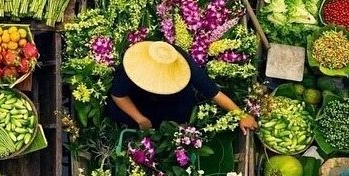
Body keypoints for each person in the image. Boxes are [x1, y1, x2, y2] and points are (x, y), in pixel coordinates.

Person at [107, 40, 258, 134]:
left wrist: (241, 115)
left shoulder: (183, 64)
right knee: (118, 111)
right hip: (138, 98)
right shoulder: (134, 64)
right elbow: (118, 94)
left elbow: (214, 93)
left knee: (179, 114)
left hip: (171, 100)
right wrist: (140, 119)